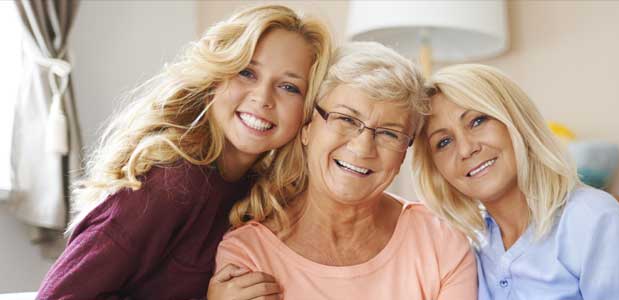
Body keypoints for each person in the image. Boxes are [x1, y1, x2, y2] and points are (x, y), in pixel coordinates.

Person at [37, 5, 331, 299]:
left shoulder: (259, 192)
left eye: (289, 87)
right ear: (217, 75)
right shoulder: (167, 185)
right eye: (247, 72)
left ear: (307, 111)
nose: (263, 97)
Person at [215, 42, 477, 299]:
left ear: (402, 156)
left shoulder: (441, 240)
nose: (363, 148)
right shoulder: (247, 255)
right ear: (307, 128)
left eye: (389, 133)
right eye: (346, 119)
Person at [411, 64, 619, 300]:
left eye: (477, 121)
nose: (466, 149)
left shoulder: (593, 220)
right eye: (443, 142)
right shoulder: (467, 246)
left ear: (516, 121)